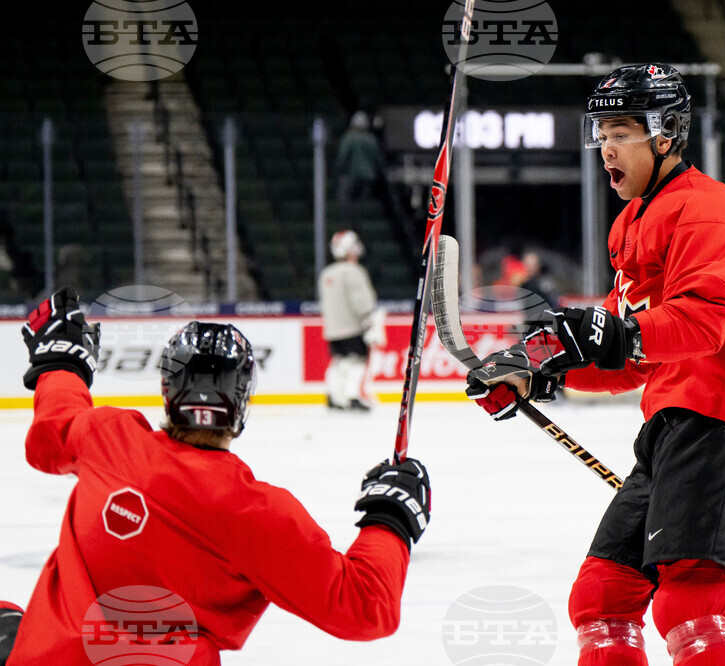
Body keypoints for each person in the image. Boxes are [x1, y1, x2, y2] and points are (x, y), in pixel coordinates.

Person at [465, 63, 725, 665]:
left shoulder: (708, 210)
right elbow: (627, 359)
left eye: (621, 132)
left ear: (665, 133)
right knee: (603, 598)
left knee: (689, 602)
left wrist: (613, 334)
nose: (606, 148)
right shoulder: (632, 221)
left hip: (723, 419)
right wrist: (538, 372)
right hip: (671, 426)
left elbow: (702, 322)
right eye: (601, 134)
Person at [8, 288, 430, 664]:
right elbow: (363, 607)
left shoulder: (110, 439)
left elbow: (52, 432)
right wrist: (389, 521)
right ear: (242, 400)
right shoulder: (260, 513)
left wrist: (60, 362)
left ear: (168, 392)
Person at [319, 230, 386, 411]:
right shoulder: (354, 271)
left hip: (333, 328)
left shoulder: (327, 273)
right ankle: (352, 395)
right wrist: (370, 318)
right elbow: (362, 302)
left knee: (339, 360)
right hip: (352, 327)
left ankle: (334, 395)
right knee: (357, 360)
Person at [335, 110, 385, 205]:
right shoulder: (372, 139)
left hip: (351, 176)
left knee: (345, 203)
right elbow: (378, 160)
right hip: (368, 177)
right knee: (364, 205)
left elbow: (342, 157)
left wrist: (338, 171)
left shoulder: (349, 138)